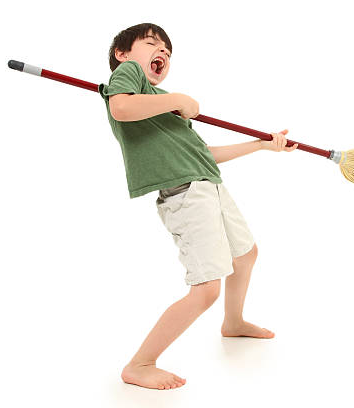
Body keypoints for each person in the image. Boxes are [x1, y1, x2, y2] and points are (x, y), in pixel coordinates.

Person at [99, 23, 298, 391]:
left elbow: (203, 155)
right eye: (151, 44)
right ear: (122, 55)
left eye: (168, 52)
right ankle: (140, 363)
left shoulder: (162, 108)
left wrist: (260, 145)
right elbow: (122, 107)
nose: (163, 53)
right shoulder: (130, 80)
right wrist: (175, 99)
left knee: (246, 254)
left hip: (208, 185)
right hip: (186, 196)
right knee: (206, 289)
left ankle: (233, 323)